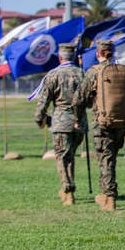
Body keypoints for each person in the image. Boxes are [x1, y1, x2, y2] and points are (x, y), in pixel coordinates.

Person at [71, 39, 125, 212]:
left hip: (102, 123)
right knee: (110, 159)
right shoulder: (124, 71)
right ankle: (105, 194)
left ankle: (110, 199)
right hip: (121, 123)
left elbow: (79, 99)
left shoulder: (94, 72)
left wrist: (77, 118)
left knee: (105, 160)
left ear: (98, 53)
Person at [34, 43, 87, 206]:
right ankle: (68, 188)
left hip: (61, 122)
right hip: (79, 122)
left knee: (63, 158)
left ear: (60, 57)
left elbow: (44, 100)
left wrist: (39, 118)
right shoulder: (82, 73)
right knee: (70, 155)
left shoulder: (53, 75)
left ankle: (68, 190)